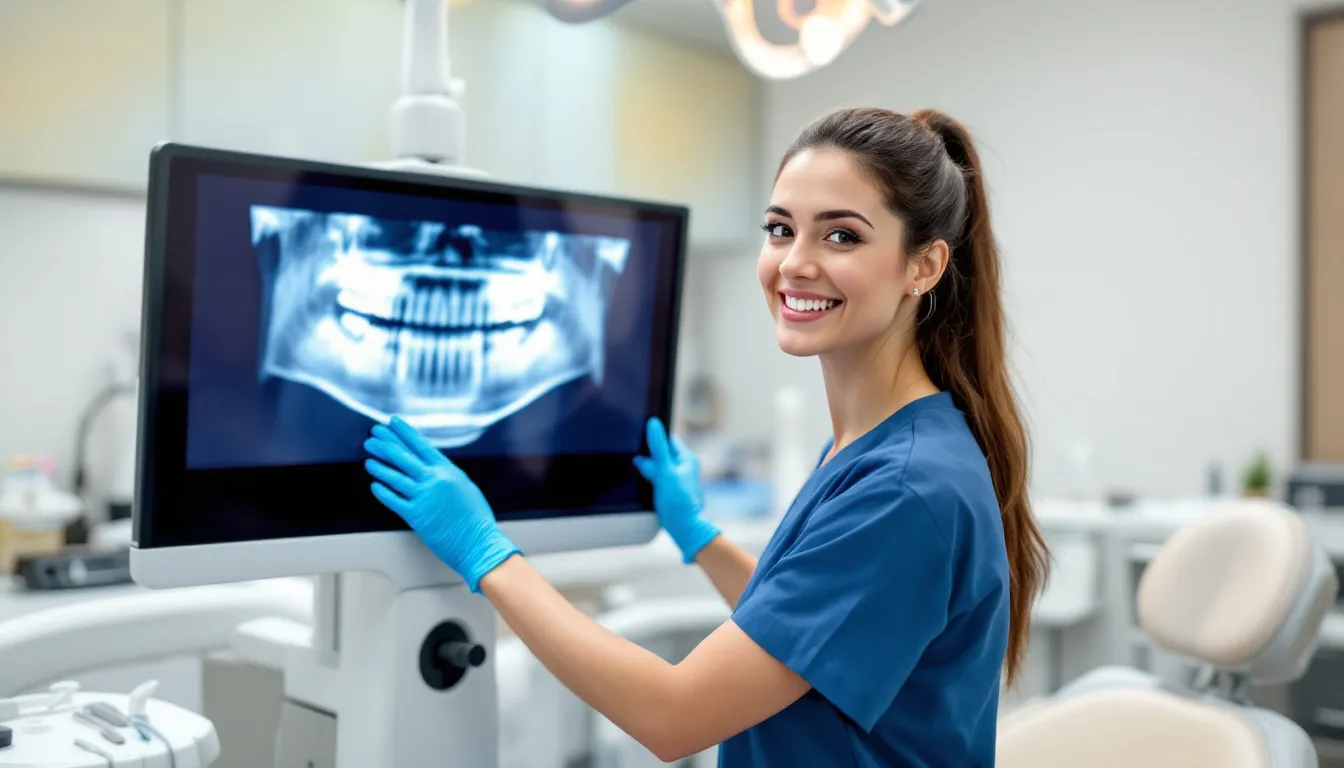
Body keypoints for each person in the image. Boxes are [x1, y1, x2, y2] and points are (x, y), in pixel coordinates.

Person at [362, 106, 1051, 767]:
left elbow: (675, 715)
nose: (795, 263)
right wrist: (699, 536)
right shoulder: (885, 443)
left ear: (924, 267)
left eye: (841, 235)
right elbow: (804, 631)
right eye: (781, 229)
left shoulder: (905, 488)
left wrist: (486, 552)